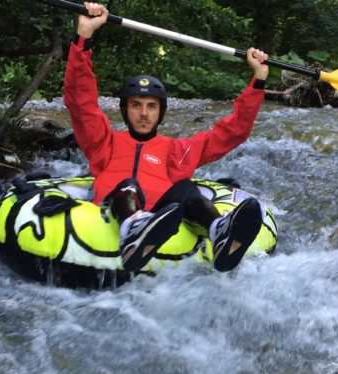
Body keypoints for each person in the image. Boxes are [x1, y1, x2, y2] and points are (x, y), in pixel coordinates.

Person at [64, 2, 270, 273]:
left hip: (163, 219)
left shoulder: (178, 149)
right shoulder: (103, 142)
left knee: (186, 190)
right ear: (125, 110)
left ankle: (218, 229)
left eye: (151, 106)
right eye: (136, 105)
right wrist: (84, 38)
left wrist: (258, 78)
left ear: (160, 113)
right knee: (129, 185)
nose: (143, 113)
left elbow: (232, 132)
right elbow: (81, 101)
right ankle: (133, 227)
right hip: (114, 210)